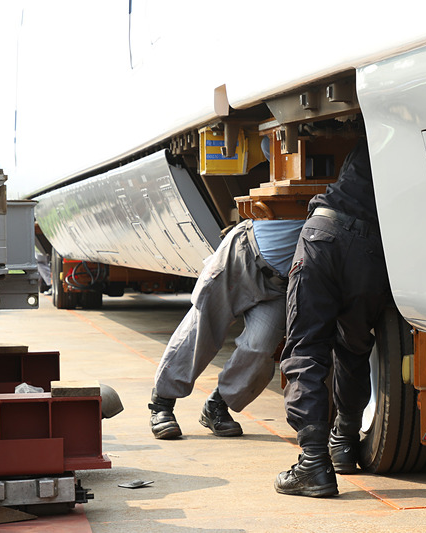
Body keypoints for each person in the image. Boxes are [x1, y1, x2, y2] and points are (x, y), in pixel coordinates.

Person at [150, 139, 305, 439]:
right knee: (202, 329)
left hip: (278, 285)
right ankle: (162, 404)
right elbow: (269, 143)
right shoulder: (294, 155)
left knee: (260, 349)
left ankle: (217, 406)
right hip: (243, 256)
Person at [275, 136, 391, 497]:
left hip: (324, 235)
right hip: (371, 251)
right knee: (354, 347)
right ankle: (343, 442)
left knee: (307, 348)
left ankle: (313, 462)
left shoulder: (375, 132)